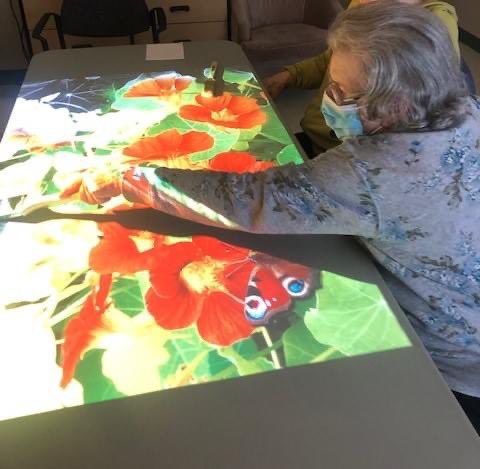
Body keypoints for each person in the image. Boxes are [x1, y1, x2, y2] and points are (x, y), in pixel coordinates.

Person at [71, 2, 480, 434]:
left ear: (394, 105)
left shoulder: (372, 169)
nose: (329, 100)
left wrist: (129, 179)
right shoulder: (468, 109)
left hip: (448, 364)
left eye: (340, 91)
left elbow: (250, 200)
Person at [264, 0, 463, 157]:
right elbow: (332, 59)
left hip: (352, 153)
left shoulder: (436, 22)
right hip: (318, 136)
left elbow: (422, 112)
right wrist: (289, 75)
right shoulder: (365, 4)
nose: (361, 3)